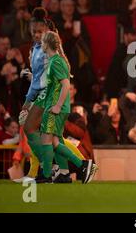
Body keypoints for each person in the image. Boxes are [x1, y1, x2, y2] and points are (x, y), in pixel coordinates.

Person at [19, 7, 89, 184]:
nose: (36, 35)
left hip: (49, 95)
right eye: (33, 31)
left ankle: (51, 167)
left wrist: (29, 102)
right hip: (48, 95)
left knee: (35, 131)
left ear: (47, 33)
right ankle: (63, 170)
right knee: (54, 138)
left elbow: (61, 80)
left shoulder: (48, 53)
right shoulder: (39, 49)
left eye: (39, 32)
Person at [37, 31, 96, 184]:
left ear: (47, 44)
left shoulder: (56, 61)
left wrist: (56, 106)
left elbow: (65, 84)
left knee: (47, 139)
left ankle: (50, 173)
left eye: (42, 42)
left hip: (56, 107)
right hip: (58, 106)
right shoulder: (57, 60)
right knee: (56, 142)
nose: (40, 44)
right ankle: (65, 172)